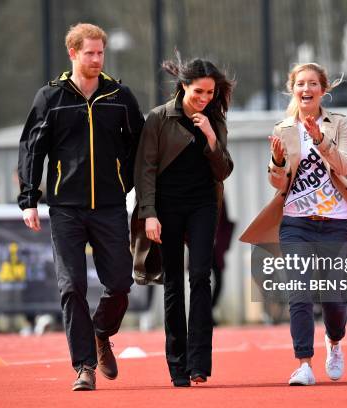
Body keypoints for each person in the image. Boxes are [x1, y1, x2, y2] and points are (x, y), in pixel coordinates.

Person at [240, 63, 347, 386]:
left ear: (323, 90)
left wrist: (321, 142)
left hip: (336, 223)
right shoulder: (283, 128)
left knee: (333, 297)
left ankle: (334, 341)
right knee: (299, 292)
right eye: (300, 83)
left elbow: (346, 166)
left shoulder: (339, 123)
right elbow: (278, 182)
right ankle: (304, 363)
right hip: (296, 222)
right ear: (293, 89)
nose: (306, 89)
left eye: (312, 83)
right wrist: (275, 162)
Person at [18, 23, 144, 391]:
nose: (96, 59)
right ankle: (84, 366)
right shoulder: (50, 97)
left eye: (100, 53)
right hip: (66, 207)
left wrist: (127, 182)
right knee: (71, 285)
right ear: (73, 53)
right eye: (89, 53)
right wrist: (29, 199)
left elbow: (139, 145)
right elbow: (32, 149)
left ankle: (101, 332)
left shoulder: (119, 96)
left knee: (120, 283)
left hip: (109, 205)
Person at [133, 55, 234, 387]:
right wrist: (149, 213)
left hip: (204, 204)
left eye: (210, 93)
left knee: (201, 276)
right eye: (199, 92)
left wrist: (210, 137)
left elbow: (223, 170)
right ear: (183, 87)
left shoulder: (215, 117)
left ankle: (199, 363)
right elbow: (145, 170)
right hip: (167, 206)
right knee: (174, 282)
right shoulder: (159, 118)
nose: (205, 98)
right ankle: (178, 365)